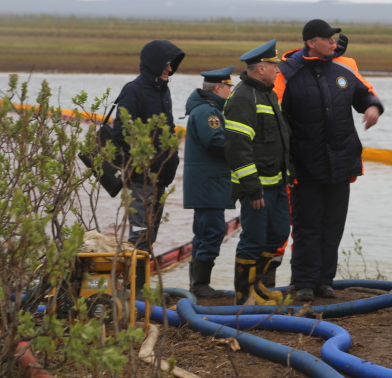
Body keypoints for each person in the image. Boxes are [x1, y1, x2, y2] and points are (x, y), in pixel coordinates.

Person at [275, 19, 384, 302]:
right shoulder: (287, 72)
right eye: (328, 39)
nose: (334, 42)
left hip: (340, 162)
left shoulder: (344, 67)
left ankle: (325, 281)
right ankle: (303, 284)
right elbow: (272, 113)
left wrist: (373, 106)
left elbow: (364, 93)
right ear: (311, 42)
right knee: (307, 226)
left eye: (334, 38)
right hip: (304, 165)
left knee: (332, 226)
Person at [224, 40, 294, 305]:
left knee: (277, 234)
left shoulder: (268, 93)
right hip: (257, 188)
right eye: (274, 66)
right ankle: (244, 296)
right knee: (253, 240)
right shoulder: (243, 98)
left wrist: (288, 174)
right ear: (261, 68)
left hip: (276, 184)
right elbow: (237, 148)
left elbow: (279, 139)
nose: (278, 70)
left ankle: (260, 287)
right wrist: (252, 187)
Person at [112, 40, 185, 285]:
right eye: (166, 64)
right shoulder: (134, 90)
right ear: (155, 64)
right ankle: (134, 291)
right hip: (141, 178)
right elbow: (120, 132)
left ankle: (136, 288)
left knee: (150, 234)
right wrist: (141, 163)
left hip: (160, 178)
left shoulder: (162, 90)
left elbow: (169, 129)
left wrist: (170, 160)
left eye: (172, 65)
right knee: (140, 234)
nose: (170, 70)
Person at [182, 67, 235, 299]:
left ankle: (198, 283)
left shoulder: (207, 109)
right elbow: (215, 141)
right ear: (218, 88)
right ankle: (200, 284)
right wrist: (242, 147)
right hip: (208, 183)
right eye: (228, 87)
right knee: (212, 230)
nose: (230, 91)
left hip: (208, 182)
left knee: (204, 231)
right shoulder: (207, 112)